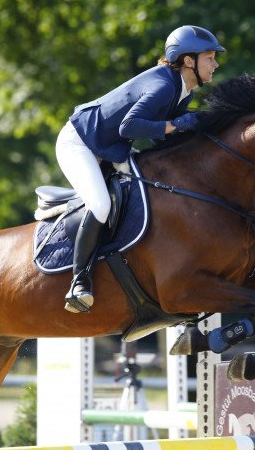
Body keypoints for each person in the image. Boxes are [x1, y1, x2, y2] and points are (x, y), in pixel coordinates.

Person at [56, 25, 225, 313]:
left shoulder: (184, 93)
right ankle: (78, 281)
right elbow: (129, 126)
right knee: (100, 204)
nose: (216, 64)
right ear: (188, 61)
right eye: (209, 57)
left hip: (111, 148)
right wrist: (175, 125)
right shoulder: (163, 86)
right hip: (81, 142)